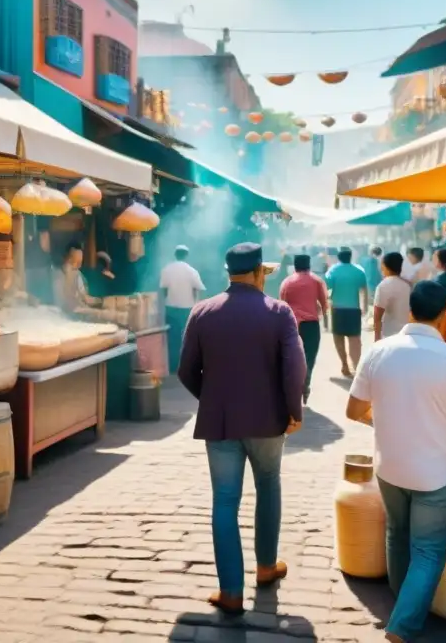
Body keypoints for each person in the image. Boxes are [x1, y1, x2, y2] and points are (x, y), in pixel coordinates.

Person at [346, 281, 446, 643]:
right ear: (443, 316)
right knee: (428, 550)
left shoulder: (378, 351)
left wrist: (386, 422)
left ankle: (401, 603)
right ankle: (402, 627)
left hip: (390, 465)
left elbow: (354, 410)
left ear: (410, 311)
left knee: (397, 534)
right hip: (437, 471)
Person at [177, 243, 306, 615]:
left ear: (228, 272)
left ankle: (230, 591)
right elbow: (294, 368)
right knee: (269, 485)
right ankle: (266, 567)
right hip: (268, 421)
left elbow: (186, 370)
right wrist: (293, 409)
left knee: (224, 501)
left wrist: (214, 398)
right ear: (260, 273)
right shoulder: (278, 312)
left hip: (220, 422)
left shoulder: (202, 311)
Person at [279, 254, 328, 403]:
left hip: (291, 325)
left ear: (294, 266)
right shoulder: (316, 281)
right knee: (309, 357)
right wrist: (325, 321)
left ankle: (292, 387)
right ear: (309, 265)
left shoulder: (287, 282)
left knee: (291, 358)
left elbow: (282, 305)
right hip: (311, 325)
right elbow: (324, 303)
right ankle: (305, 385)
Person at [159, 245, 206, 374]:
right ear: (186, 255)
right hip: (187, 309)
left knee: (172, 339)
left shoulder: (166, 269)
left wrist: (165, 303)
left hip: (171, 308)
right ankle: (186, 367)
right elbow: (198, 289)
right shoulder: (191, 271)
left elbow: (163, 290)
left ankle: (173, 368)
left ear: (175, 254)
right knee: (187, 339)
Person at [325, 247, 369, 377]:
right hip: (354, 309)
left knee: (338, 337)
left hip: (338, 308)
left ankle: (344, 364)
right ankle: (357, 367)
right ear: (351, 257)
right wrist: (365, 306)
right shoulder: (359, 271)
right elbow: (364, 290)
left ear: (339, 258)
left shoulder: (333, 270)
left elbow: (327, 288)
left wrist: (326, 303)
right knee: (354, 339)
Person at [373, 252, 411, 341]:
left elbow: (377, 316)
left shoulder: (383, 286)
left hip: (388, 335)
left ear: (384, 266)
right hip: (406, 334)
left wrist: (376, 339)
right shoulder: (407, 285)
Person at [53, 242, 93, 313]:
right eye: (75, 262)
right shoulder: (58, 276)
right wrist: (69, 277)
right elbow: (62, 303)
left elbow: (85, 298)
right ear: (66, 259)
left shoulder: (79, 276)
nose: (78, 266)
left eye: (80, 263)